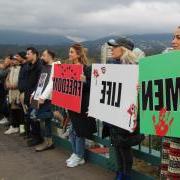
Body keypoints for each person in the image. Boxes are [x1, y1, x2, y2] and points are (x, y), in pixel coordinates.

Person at [103, 37, 144, 180]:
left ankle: (125, 175)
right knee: (117, 144)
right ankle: (120, 172)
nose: (111, 49)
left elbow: (145, 91)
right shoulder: (112, 67)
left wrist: (140, 87)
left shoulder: (136, 68)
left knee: (124, 147)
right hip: (114, 114)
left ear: (124, 49)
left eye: (115, 47)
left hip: (127, 115)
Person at [66, 43, 97, 168]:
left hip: (82, 105)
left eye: (72, 52)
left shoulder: (87, 68)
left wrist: (84, 81)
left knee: (79, 132)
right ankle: (75, 152)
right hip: (72, 104)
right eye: (69, 51)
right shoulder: (69, 68)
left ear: (78, 54)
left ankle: (80, 156)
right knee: (73, 130)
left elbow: (92, 86)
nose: (69, 54)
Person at [160, 26, 180, 180]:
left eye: (179, 38)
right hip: (170, 128)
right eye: (174, 37)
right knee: (168, 169)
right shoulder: (169, 63)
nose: (173, 41)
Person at [29, 49, 56, 152]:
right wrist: (34, 93)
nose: (42, 57)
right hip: (39, 97)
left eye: (44, 55)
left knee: (37, 116)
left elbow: (52, 83)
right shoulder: (44, 67)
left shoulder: (54, 67)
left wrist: (43, 97)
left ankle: (54, 114)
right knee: (45, 121)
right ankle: (49, 142)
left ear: (50, 56)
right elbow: (40, 82)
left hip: (46, 98)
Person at [24, 47, 43, 147]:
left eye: (28, 54)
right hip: (29, 94)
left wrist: (35, 94)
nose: (26, 56)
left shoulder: (39, 66)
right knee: (30, 117)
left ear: (34, 54)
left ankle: (37, 138)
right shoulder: (29, 66)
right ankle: (34, 135)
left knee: (34, 117)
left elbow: (40, 82)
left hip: (35, 95)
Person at [4, 56, 22, 135]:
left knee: (18, 110)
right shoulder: (11, 69)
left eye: (15, 60)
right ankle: (13, 126)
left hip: (17, 92)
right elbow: (7, 79)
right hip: (11, 92)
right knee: (12, 108)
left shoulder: (21, 69)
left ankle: (18, 127)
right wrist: (7, 83)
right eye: (13, 60)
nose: (13, 61)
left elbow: (21, 80)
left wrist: (14, 86)